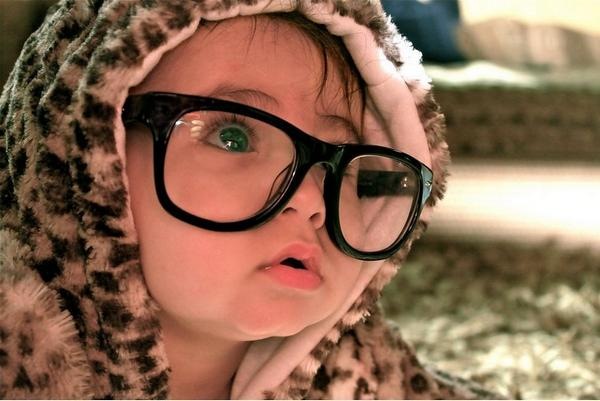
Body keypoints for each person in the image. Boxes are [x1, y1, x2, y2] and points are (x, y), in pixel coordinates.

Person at [0, 0, 495, 399]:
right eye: (232, 136)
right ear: (85, 155)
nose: (312, 199)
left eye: (338, 159)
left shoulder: (356, 369)